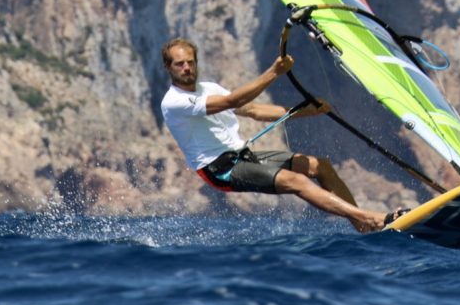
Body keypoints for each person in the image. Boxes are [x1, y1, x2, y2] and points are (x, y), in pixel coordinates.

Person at [159, 37, 387, 233]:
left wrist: (304, 111)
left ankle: (364, 227)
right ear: (168, 67)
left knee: (320, 166)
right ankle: (369, 217)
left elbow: (254, 110)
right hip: (219, 170)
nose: (187, 67)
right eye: (180, 64)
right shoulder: (174, 102)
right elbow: (233, 101)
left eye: (191, 62)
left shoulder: (210, 88)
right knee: (296, 181)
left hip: (242, 157)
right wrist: (273, 73)